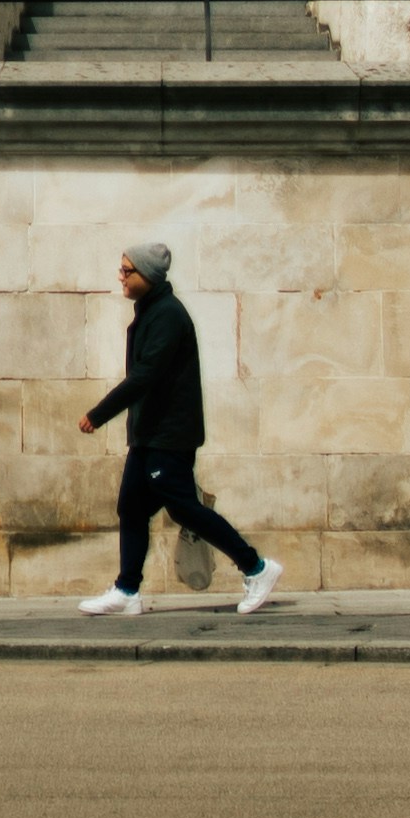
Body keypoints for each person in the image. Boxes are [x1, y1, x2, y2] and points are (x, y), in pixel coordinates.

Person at [77, 238, 282, 615]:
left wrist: (99, 413)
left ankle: (256, 567)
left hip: (168, 436)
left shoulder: (168, 315)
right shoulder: (151, 311)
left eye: (127, 270)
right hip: (150, 434)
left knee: (185, 509)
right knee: (132, 509)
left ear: (148, 276)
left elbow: (145, 376)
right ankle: (127, 591)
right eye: (121, 269)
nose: (120, 276)